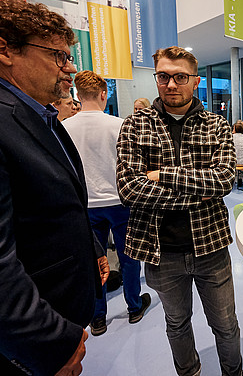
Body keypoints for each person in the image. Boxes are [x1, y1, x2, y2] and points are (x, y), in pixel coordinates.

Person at [116, 46, 242, 376]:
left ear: (195, 81)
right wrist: (198, 189)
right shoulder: (134, 125)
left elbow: (225, 180)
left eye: (180, 77)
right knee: (177, 324)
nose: (171, 84)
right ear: (156, 78)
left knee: (226, 326)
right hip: (161, 251)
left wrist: (165, 175)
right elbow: (129, 189)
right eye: (163, 76)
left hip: (211, 247)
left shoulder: (216, 125)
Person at [0, 0, 108, 376]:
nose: (70, 69)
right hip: (31, 337)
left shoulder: (42, 116)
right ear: (6, 50)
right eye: (58, 56)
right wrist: (49, 343)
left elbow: (63, 201)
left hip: (64, 298)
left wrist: (93, 247)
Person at [63, 70, 151, 337]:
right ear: (104, 94)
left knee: (94, 261)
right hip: (119, 201)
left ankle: (98, 317)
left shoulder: (64, 128)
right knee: (128, 257)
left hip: (86, 204)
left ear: (78, 95)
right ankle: (134, 307)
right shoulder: (120, 124)